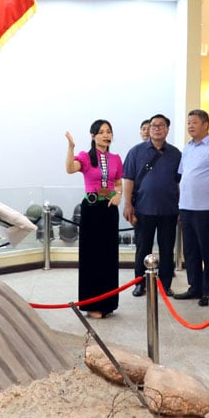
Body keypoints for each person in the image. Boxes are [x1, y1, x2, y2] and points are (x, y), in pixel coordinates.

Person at [65, 120, 124, 319]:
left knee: (108, 256)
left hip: (109, 210)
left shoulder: (115, 158)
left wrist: (118, 195)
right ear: (93, 136)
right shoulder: (86, 157)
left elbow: (118, 182)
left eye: (109, 132)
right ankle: (92, 304)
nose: (106, 135)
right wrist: (71, 147)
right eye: (101, 132)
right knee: (92, 257)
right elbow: (70, 169)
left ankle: (108, 303)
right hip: (91, 209)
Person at [174, 109, 209, 307]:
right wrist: (180, 205)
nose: (190, 126)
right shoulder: (187, 148)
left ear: (206, 124)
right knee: (190, 251)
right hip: (186, 207)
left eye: (194, 122)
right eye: (189, 122)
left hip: (206, 208)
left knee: (207, 250)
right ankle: (194, 286)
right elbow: (183, 177)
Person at [123, 114, 182, 297]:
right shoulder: (136, 151)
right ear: (149, 129)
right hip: (143, 208)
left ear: (167, 129)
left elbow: (180, 182)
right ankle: (140, 283)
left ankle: (165, 285)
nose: (157, 128)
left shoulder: (176, 153)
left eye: (161, 125)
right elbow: (129, 179)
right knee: (143, 248)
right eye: (154, 125)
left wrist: (181, 206)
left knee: (167, 248)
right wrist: (127, 205)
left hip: (168, 210)